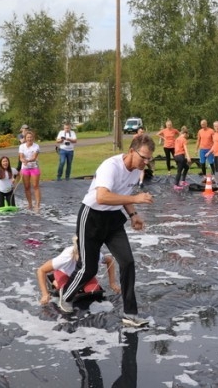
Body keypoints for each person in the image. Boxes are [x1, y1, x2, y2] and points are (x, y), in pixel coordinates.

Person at [59, 135, 155, 327]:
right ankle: (66, 295)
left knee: (127, 261)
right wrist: (136, 199)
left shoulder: (136, 170)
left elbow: (123, 197)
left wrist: (133, 214)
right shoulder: (110, 166)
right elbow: (102, 197)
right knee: (89, 267)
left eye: (149, 158)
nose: (146, 162)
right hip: (92, 216)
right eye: (143, 157)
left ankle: (130, 313)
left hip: (113, 220)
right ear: (131, 151)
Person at [36, 236, 120, 306]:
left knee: (93, 291)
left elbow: (110, 261)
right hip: (65, 273)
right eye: (80, 258)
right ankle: (55, 282)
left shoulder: (95, 254)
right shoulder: (66, 256)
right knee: (68, 294)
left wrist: (112, 283)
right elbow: (41, 270)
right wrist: (45, 294)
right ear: (75, 253)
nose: (83, 260)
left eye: (86, 258)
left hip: (84, 274)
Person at [18, 131, 41, 211]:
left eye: (31, 137)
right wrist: (23, 160)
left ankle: (37, 204)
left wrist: (27, 160)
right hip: (25, 168)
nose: (29, 139)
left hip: (34, 167)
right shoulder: (21, 146)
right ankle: (30, 203)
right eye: (28, 137)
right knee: (27, 187)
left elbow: (34, 157)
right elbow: (20, 157)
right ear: (25, 138)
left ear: (33, 138)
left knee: (35, 185)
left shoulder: (36, 146)